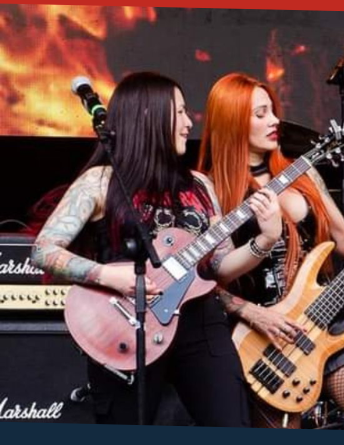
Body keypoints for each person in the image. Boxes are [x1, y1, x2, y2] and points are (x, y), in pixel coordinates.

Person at [31, 72, 284, 426]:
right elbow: (43, 250)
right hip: (128, 326)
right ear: (149, 116)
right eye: (179, 112)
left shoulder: (200, 186)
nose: (189, 123)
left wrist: (265, 240)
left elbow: (220, 266)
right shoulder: (100, 182)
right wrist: (107, 275)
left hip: (201, 325)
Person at [196, 72, 344, 430]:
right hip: (265, 337)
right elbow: (207, 278)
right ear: (231, 120)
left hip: (328, 317)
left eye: (273, 110)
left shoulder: (301, 173)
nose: (275, 121)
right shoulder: (209, 189)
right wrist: (254, 314)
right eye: (260, 114)